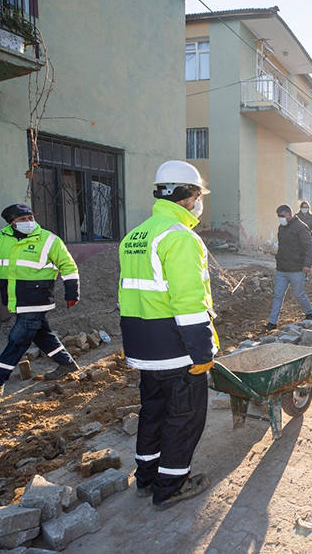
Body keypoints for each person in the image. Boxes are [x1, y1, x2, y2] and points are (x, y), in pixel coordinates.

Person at [118, 160, 215, 510]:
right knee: (184, 417)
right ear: (187, 196)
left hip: (143, 345)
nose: (199, 202)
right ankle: (171, 486)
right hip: (176, 348)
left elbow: (132, 293)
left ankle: (146, 478)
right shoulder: (180, 238)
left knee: (153, 412)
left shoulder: (136, 235)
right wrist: (203, 352)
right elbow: (188, 302)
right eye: (198, 195)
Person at [0, 204, 80, 397]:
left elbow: (68, 265)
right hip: (15, 297)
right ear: (12, 223)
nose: (28, 222)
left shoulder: (48, 239)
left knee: (18, 339)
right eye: (23, 219)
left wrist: (72, 291)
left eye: (30, 218)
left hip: (38, 297)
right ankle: (67, 364)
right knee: (40, 333)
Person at [265, 205, 312, 330]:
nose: (280, 219)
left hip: (297, 269)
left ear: (290, 215)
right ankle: (272, 322)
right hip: (282, 269)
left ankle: (310, 313)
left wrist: (307, 265)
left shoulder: (301, 228)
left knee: (299, 294)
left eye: (282, 216)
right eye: (279, 217)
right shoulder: (281, 228)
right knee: (278, 295)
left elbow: (309, 247)